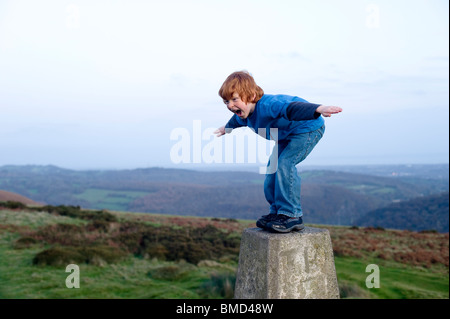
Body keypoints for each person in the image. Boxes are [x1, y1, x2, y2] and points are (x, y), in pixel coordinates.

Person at [214, 71, 342, 233]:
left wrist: (319, 108)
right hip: (286, 135)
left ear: (252, 96)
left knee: (284, 164)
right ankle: (277, 212)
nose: (230, 105)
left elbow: (293, 108)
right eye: (226, 101)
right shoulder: (243, 115)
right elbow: (237, 120)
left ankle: (291, 214)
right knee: (272, 169)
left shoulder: (269, 105)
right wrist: (226, 128)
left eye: (234, 99)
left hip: (306, 129)